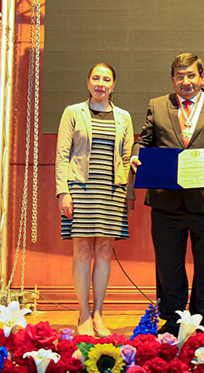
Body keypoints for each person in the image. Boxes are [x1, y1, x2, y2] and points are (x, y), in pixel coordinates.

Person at [130, 53, 204, 337]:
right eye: (180, 76)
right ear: (172, 79)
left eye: (191, 75)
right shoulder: (158, 105)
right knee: (168, 266)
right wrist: (135, 156)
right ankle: (172, 320)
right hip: (167, 203)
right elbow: (144, 140)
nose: (186, 81)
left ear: (202, 77)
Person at [55, 62, 134, 336]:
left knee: (103, 252)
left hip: (111, 192)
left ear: (114, 85)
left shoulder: (124, 116)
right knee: (82, 252)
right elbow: (62, 154)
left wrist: (125, 192)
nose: (101, 84)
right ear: (88, 82)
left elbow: (125, 158)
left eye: (106, 79)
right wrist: (63, 192)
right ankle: (84, 315)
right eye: (96, 78)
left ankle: (99, 314)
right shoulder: (73, 112)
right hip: (80, 189)